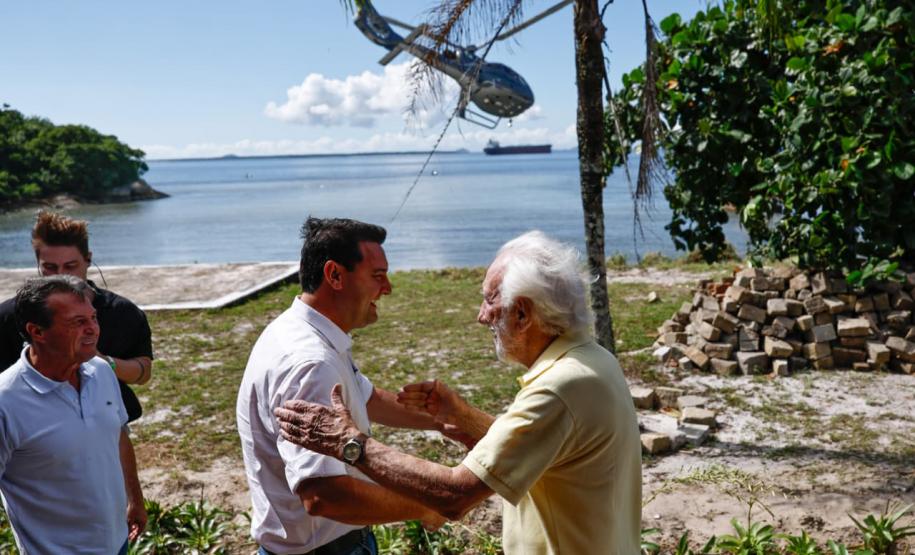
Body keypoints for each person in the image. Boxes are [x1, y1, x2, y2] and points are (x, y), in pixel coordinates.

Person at [275, 231, 643, 554]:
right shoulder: (593, 360)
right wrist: (459, 415)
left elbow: (454, 495)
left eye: (489, 300)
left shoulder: (560, 388)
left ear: (523, 315)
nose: (481, 316)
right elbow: (539, 446)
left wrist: (350, 444)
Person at [237, 217, 453, 555]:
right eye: (378, 276)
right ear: (334, 275)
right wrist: (425, 505)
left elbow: (367, 399)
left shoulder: (301, 331)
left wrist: (447, 420)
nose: (388, 288)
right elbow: (323, 495)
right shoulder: (310, 363)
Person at [0, 275, 146, 554]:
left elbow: (118, 436)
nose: (93, 329)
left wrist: (135, 499)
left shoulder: (101, 370)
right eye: (78, 323)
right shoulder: (6, 402)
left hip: (118, 545)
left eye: (93, 318)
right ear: (37, 332)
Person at [0, 211, 153, 422]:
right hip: (28, 424)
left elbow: (143, 373)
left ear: (88, 259)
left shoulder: (122, 313)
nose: (60, 275)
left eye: (70, 266)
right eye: (50, 267)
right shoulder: (8, 316)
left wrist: (102, 361)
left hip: (107, 419)